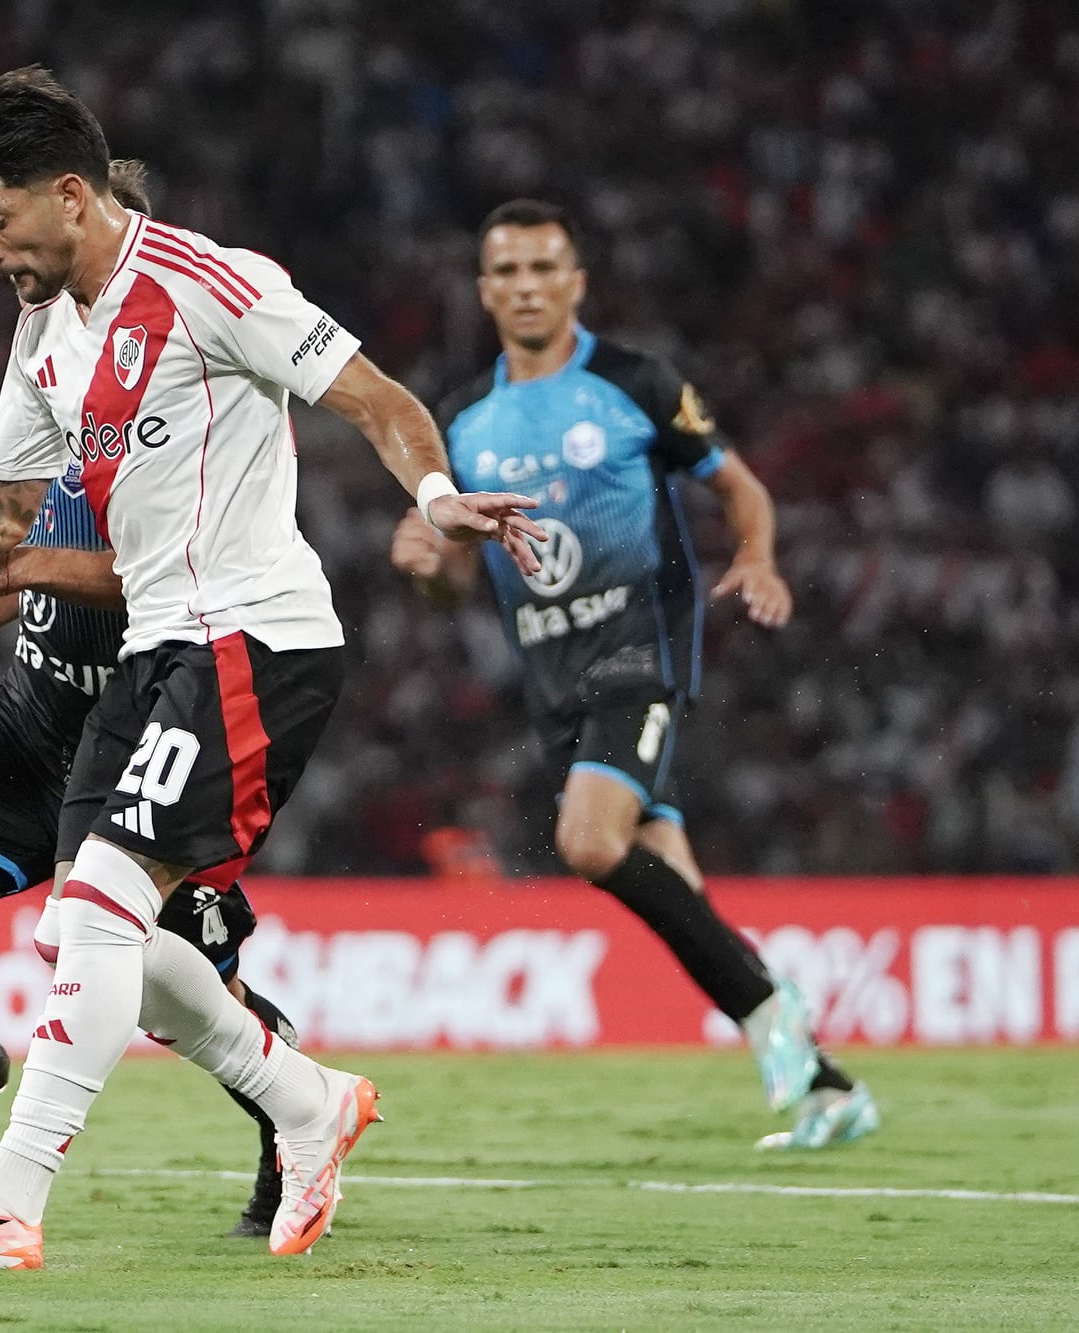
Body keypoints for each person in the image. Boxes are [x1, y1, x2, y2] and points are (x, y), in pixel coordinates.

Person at [0, 68, 542, 1266]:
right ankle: (306, 1101)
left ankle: (10, 1196)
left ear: (69, 196)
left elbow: (373, 396)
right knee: (99, 937)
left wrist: (436, 496)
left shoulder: (209, 284)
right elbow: (0, 510)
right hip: (152, 652)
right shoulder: (46, 333)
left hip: (253, 636)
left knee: (90, 909)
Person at [0, 164, 302, 1228]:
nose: (12, 267)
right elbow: (28, 533)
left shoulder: (183, 389)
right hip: (36, 716)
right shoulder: (46, 366)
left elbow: (145, 569)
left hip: (150, 729)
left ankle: (293, 1121)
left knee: (186, 996)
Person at [389, 198, 880, 1150]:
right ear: (485, 290)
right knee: (674, 884)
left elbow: (740, 486)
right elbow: (456, 580)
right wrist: (428, 562)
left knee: (587, 840)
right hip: (554, 677)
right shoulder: (461, 417)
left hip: (639, 650)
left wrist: (761, 558)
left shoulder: (634, 383)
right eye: (509, 272)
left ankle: (773, 1010)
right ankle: (826, 1086)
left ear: (576, 281)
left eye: (545, 268)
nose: (527, 286)